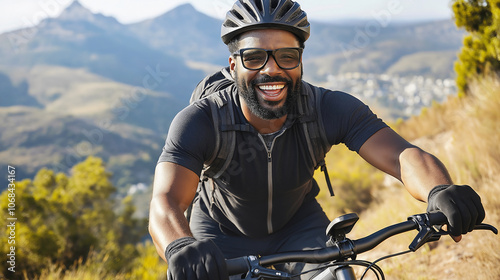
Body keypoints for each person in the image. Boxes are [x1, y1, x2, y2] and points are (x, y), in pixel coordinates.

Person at [149, 0, 485, 279]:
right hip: (219, 234)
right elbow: (166, 200)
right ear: (234, 64)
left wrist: (439, 190)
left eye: (287, 56)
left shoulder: (326, 108)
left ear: (300, 62)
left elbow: (400, 155)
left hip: (300, 227)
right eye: (254, 57)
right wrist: (180, 244)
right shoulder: (202, 120)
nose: (271, 70)